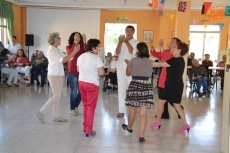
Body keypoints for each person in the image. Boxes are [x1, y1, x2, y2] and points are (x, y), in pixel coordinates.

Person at [36, 32, 80, 123]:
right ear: (55, 40)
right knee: (56, 96)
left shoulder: (57, 49)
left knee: (57, 96)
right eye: (59, 38)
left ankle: (56, 116)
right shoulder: (51, 50)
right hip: (54, 75)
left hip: (59, 75)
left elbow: (69, 58)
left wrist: (75, 46)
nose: (60, 39)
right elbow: (63, 60)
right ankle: (41, 112)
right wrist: (74, 51)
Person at [150, 42, 190, 133]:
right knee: (176, 105)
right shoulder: (180, 60)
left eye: (175, 47)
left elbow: (158, 65)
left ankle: (157, 122)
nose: (173, 48)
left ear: (179, 50)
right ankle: (185, 124)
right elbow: (162, 63)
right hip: (177, 85)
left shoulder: (175, 60)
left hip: (171, 85)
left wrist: (142, 62)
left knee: (160, 102)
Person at [122, 42, 154, 143]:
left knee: (132, 112)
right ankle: (141, 136)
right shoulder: (150, 61)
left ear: (138, 50)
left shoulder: (133, 60)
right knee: (143, 114)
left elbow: (127, 74)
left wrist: (129, 65)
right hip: (146, 86)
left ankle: (129, 127)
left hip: (135, 85)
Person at [150, 38, 183, 119]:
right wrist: (152, 45)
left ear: (177, 45)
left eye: (173, 41)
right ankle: (164, 114)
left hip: (169, 78)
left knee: (169, 99)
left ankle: (179, 110)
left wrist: (161, 47)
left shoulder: (174, 55)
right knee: (162, 96)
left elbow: (163, 58)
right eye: (171, 40)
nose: (171, 42)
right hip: (163, 75)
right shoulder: (167, 51)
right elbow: (156, 54)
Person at [77, 39, 105, 137]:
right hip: (92, 84)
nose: (98, 50)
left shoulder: (81, 56)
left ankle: (85, 127)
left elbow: (78, 69)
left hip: (81, 83)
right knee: (91, 107)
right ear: (93, 48)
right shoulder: (96, 58)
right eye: (98, 48)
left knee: (85, 105)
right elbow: (101, 73)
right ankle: (89, 129)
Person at [115, 25, 139, 117]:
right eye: (127, 30)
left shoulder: (136, 42)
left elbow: (133, 51)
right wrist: (120, 42)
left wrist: (126, 42)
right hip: (121, 68)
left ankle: (132, 108)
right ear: (125, 31)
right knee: (121, 89)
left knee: (131, 89)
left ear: (133, 32)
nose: (128, 32)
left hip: (131, 69)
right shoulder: (121, 42)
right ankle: (121, 110)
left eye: (130, 31)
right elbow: (117, 52)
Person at [66, 32, 87, 116]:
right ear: (73, 38)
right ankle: (72, 108)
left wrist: (85, 41)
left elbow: (86, 53)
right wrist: (75, 43)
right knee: (73, 91)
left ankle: (75, 106)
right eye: (76, 37)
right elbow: (71, 54)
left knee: (82, 91)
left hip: (81, 71)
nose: (78, 38)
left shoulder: (81, 47)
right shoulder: (68, 47)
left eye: (79, 37)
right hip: (72, 71)